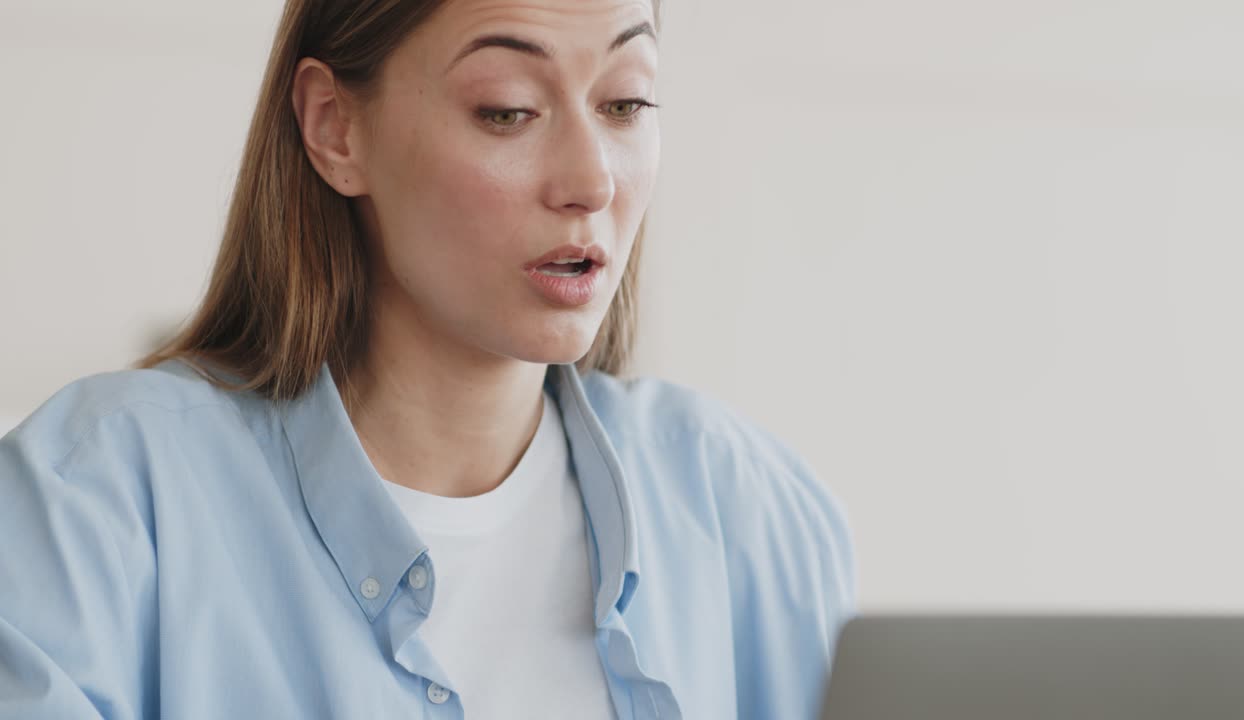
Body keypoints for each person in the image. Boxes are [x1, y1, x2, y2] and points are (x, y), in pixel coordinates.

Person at [0, 0, 856, 717]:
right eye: (509, 109)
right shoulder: (92, 500)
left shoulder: (748, 509)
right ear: (334, 128)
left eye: (625, 104)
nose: (592, 180)